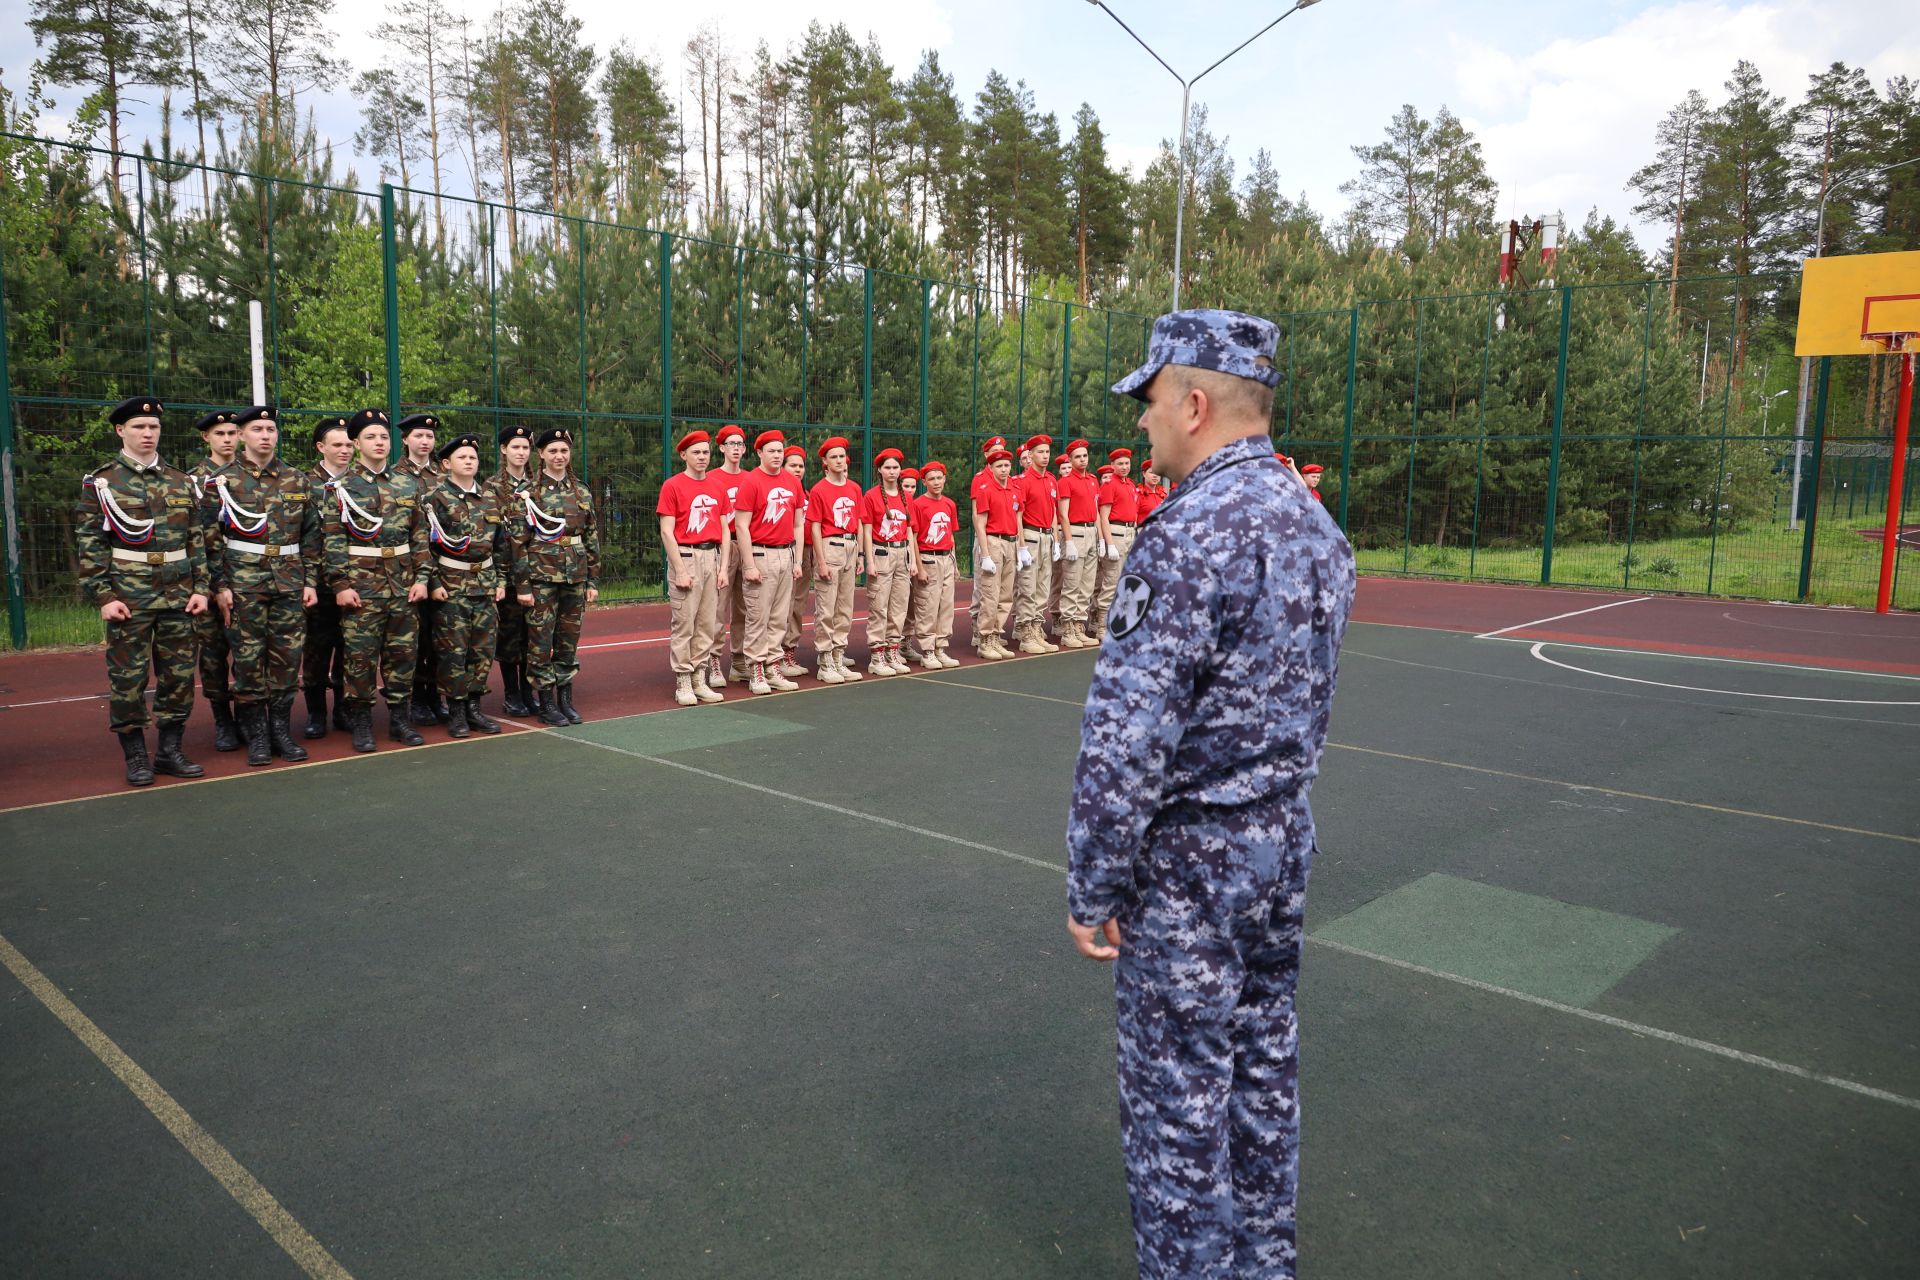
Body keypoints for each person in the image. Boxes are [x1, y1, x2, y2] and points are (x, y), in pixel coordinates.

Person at [1066, 309, 1354, 1280]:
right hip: (1282, 847)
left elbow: (1128, 735)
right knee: (1261, 1079)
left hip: (1192, 867)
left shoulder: (1186, 533)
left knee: (1176, 1112)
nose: (1141, 423)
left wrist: (1093, 880)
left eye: (1149, 402)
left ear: (1194, 403)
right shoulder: (1316, 527)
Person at [74, 396, 212, 786]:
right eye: (139, 427)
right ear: (121, 431)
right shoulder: (102, 482)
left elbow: (196, 539)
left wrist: (201, 587)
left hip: (179, 594)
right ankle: (136, 756)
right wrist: (103, 595)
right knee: (128, 679)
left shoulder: (182, 481)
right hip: (129, 596)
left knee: (179, 677)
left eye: (153, 427)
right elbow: (90, 543)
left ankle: (169, 751)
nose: (148, 433)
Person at [207, 404, 321, 767]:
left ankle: (281, 732)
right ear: (240, 435)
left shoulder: (297, 479)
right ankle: (257, 736)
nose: (265, 435)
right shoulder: (220, 481)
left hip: (289, 580)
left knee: (287, 660)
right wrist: (219, 585)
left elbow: (312, 535)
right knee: (248, 659)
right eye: (257, 429)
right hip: (244, 582)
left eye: (270, 429)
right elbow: (209, 539)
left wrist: (311, 581)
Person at [322, 408, 430, 752]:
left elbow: (419, 536)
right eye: (370, 436)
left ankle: (400, 721)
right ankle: (362, 724)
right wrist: (341, 584)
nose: (379, 442)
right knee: (360, 658)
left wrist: (423, 577)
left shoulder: (407, 484)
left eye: (383, 436)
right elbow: (333, 540)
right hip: (362, 586)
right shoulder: (340, 487)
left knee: (403, 657)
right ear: (356, 443)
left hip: (402, 584)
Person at [426, 433, 513, 737]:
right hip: (452, 584)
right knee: (453, 651)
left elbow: (501, 545)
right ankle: (457, 712)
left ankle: (475, 708)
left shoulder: (490, 498)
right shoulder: (435, 499)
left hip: (485, 584)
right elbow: (427, 547)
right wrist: (434, 582)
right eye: (462, 457)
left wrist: (501, 580)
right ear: (447, 463)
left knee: (482, 649)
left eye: (473, 457)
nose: (469, 461)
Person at [514, 427, 599, 726]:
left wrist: (592, 580)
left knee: (568, 640)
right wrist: (522, 585)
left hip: (574, 577)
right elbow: (518, 543)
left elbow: (591, 537)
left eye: (564, 450)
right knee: (539, 641)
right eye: (553, 451)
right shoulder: (528, 492)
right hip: (542, 577)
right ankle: (546, 702)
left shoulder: (581, 490)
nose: (559, 456)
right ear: (541, 454)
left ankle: (565, 698)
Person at [655, 429, 729, 707]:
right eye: (696, 452)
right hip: (686, 556)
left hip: (712, 557)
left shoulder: (717, 487)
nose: (702, 457)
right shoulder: (673, 486)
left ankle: (700, 677)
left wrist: (723, 567)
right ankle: (683, 679)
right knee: (685, 621)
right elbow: (666, 532)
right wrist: (680, 569)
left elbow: (724, 530)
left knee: (707, 622)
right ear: (684, 455)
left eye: (705, 452)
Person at [731, 430, 805, 695]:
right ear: (760, 453)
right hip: (761, 554)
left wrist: (797, 559)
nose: (777, 455)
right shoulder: (751, 481)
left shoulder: (792, 482)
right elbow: (741, 525)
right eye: (771, 451)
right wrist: (749, 564)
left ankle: (773, 666)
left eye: (780, 450)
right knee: (757, 616)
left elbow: (798, 523)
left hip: (786, 554)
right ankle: (756, 669)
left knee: (779, 617)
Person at [189, 409, 243, 751]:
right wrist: (213, 586)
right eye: (220, 434)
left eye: (232, 433)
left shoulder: (251, 476)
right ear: (206, 438)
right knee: (213, 653)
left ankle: (249, 716)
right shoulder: (192, 481)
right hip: (209, 580)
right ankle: (223, 719)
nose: (227, 439)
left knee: (249, 654)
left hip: (251, 578)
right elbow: (195, 538)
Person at [300, 416, 355, 738]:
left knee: (350, 650)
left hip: (356, 581)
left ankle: (343, 710)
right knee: (317, 651)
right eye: (338, 445)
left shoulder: (363, 484)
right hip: (319, 584)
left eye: (349, 444)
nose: (345, 450)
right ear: (321, 447)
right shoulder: (304, 484)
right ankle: (316, 713)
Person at [395, 413, 446, 726]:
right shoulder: (395, 476)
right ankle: (415, 699)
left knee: (439, 636)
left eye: (429, 436)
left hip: (445, 567)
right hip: (410, 569)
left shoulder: (444, 474)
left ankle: (434, 695)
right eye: (418, 436)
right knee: (414, 637)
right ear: (405, 440)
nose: (425, 442)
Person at [805, 436, 865, 685]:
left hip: (850, 546)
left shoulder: (854, 488)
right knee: (826, 607)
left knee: (844, 607)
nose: (839, 461)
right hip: (831, 547)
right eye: (834, 457)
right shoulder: (820, 489)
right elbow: (816, 528)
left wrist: (861, 553)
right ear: (825, 462)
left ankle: (839, 655)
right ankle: (825, 659)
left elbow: (859, 522)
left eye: (842, 456)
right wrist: (820, 561)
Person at [489, 425, 537, 716]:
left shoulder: (539, 484)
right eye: (515, 447)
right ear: (504, 450)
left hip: (538, 571)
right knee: (510, 635)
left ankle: (528, 691)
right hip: (507, 572)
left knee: (534, 635)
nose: (521, 453)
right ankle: (512, 693)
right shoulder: (492, 487)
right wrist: (498, 577)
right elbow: (492, 536)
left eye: (526, 448)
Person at [859, 448, 917, 677]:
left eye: (895, 467)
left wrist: (911, 558)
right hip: (881, 553)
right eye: (888, 468)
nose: (892, 472)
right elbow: (865, 528)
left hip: (902, 553)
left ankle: (893, 650)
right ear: (880, 470)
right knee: (879, 605)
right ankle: (877, 655)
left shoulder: (906, 497)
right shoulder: (872, 496)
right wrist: (869, 559)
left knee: (899, 606)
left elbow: (910, 529)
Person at [908, 461, 961, 669]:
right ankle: (928, 650)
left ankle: (941, 647)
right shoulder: (919, 504)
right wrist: (919, 567)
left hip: (947, 558)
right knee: (927, 606)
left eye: (939, 478)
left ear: (945, 478)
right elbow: (913, 537)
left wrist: (954, 563)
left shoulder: (949, 504)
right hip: (928, 558)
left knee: (946, 606)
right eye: (931, 479)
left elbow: (951, 535)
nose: (936, 482)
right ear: (924, 482)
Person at [968, 446, 1019, 659]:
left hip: (1010, 542)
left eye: (1007, 465)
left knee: (1005, 595)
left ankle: (996, 635)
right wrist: (985, 553)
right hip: (993, 541)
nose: (1004, 469)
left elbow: (1018, 519)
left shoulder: (1014, 489)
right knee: (990, 593)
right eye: (999, 466)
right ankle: (985, 639)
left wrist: (1021, 547)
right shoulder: (985, 488)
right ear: (990, 466)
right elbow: (980, 523)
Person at [710, 424, 751, 686]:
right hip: (722, 547)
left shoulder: (751, 478)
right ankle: (713, 662)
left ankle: (739, 662)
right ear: (722, 447)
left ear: (745, 449)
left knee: (745, 607)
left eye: (740, 444)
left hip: (745, 544)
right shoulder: (712, 478)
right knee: (717, 606)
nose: (736, 448)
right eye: (731, 444)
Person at [1012, 434, 1059, 655]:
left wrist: (1056, 541)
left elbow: (1053, 513)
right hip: (1030, 536)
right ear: (1030, 455)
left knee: (1042, 587)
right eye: (1040, 452)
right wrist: (1021, 546)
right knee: (1027, 587)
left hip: (1046, 536)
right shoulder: (1022, 481)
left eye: (1047, 452)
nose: (1045, 456)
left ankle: (1036, 627)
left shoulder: (1051, 479)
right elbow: (1018, 516)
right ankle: (1025, 632)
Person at [1054, 439, 1102, 649]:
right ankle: (1068, 630)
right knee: (1072, 582)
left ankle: (1079, 626)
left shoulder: (1093, 480)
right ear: (1071, 460)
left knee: (1087, 584)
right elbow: (1063, 514)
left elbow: (1097, 511)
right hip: (1075, 531)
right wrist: (1069, 541)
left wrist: (1100, 539)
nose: (1082, 460)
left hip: (1091, 531)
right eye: (1078, 457)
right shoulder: (1066, 481)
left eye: (1085, 456)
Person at [1090, 447, 1139, 642]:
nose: (1124, 467)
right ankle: (1102, 626)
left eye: (1127, 463)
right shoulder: (1110, 485)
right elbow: (1103, 517)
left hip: (1128, 532)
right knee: (1111, 581)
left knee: (1124, 582)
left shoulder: (1130, 484)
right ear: (1112, 465)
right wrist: (1109, 543)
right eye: (1120, 463)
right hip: (1116, 533)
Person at [779, 444, 812, 681]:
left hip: (805, 553)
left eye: (801, 466)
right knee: (780, 606)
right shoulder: (779, 493)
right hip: (782, 552)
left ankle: (789, 651)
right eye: (793, 465)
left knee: (797, 605)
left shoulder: (806, 494)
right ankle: (773, 655)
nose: (798, 470)